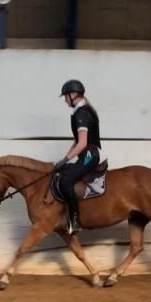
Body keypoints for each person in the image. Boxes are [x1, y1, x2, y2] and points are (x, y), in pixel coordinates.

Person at [55, 79, 102, 233]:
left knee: (66, 181)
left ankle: (75, 220)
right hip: (86, 153)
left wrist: (66, 159)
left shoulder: (82, 114)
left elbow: (82, 144)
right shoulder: (80, 113)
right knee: (64, 173)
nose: (65, 101)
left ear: (74, 94)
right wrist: (64, 159)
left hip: (89, 155)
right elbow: (76, 143)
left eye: (66, 97)